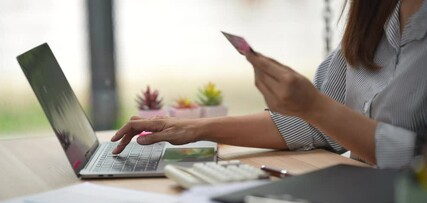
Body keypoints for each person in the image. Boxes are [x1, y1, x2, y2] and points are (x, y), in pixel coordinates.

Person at [111, 0, 427, 169]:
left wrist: (315, 107)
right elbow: (315, 127)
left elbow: (413, 155)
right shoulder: (375, 19)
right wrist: (194, 129)